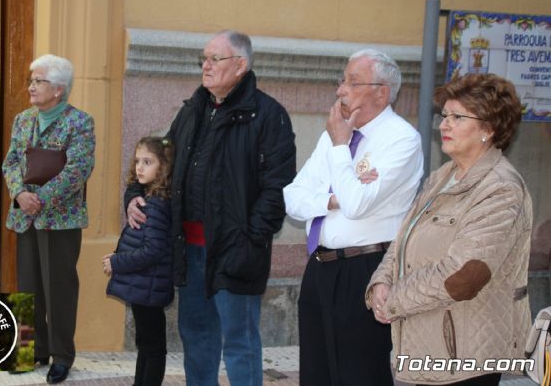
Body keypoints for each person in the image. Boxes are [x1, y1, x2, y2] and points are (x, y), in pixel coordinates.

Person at [126, 30, 296, 386]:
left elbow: (277, 188)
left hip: (235, 248)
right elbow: (163, 162)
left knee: (240, 341)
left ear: (241, 65)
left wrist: (251, 239)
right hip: (190, 250)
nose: (205, 65)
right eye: (203, 58)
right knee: (197, 336)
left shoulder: (267, 115)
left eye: (214, 59)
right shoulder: (192, 111)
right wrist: (133, 194)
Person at [366, 73, 532, 386]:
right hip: (423, 344)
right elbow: (404, 240)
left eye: (457, 117)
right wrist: (380, 283)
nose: (444, 124)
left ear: (489, 128)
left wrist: (395, 299)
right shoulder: (443, 176)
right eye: (445, 116)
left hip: (466, 357)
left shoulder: (501, 190)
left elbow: (464, 276)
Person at [283, 48, 424, 386]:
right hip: (319, 267)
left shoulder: (402, 139)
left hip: (367, 268)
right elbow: (292, 198)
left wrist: (340, 150)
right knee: (316, 373)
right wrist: (334, 198)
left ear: (382, 92)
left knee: (359, 374)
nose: (340, 90)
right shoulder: (333, 137)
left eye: (352, 82)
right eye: (342, 80)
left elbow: (359, 205)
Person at [2, 54, 95, 384]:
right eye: (31, 79)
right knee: (28, 287)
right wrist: (19, 193)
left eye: (37, 81)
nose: (30, 86)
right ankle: (34, 349)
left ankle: (61, 356)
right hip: (24, 217)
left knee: (59, 291)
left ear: (58, 89)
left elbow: (77, 171)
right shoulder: (22, 120)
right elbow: (11, 161)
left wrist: (40, 198)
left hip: (60, 220)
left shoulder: (80, 122)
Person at [103, 136, 174, 386]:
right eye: (137, 161)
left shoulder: (156, 204)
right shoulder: (147, 197)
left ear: (163, 167)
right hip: (144, 287)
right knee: (145, 344)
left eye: (148, 162)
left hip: (150, 287)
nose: (140, 167)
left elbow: (153, 250)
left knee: (153, 348)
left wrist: (117, 262)